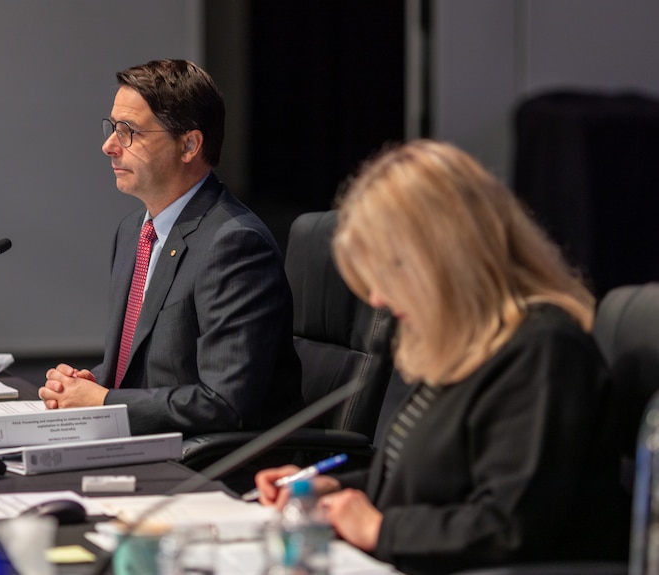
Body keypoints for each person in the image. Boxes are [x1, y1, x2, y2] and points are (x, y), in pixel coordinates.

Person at [254, 140, 629, 574]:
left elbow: (507, 526)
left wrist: (380, 530)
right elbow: (424, 483)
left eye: (388, 272)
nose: (377, 297)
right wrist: (328, 489)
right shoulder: (461, 345)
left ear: (446, 258)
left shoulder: (544, 351)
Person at [38, 59, 301, 436]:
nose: (109, 146)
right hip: (142, 443)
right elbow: (146, 370)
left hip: (205, 469)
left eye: (129, 132)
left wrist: (102, 401)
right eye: (113, 128)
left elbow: (225, 404)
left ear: (189, 144)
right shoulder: (133, 232)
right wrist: (84, 384)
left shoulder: (235, 244)